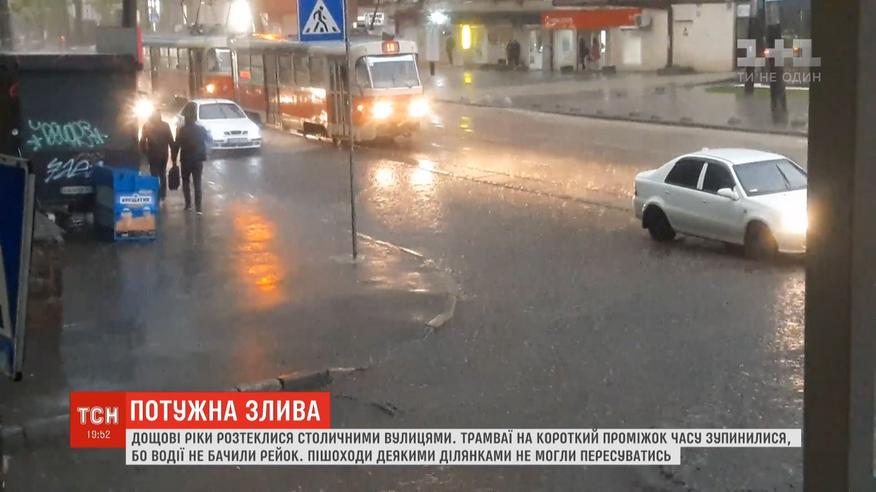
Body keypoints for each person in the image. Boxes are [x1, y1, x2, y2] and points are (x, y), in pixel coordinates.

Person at [172, 113, 211, 213]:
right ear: (194, 119)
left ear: (185, 120)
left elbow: (176, 146)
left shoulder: (182, 130)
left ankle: (188, 204)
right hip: (198, 160)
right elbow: (209, 140)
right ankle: (198, 208)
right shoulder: (201, 129)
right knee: (197, 182)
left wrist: (174, 160)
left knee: (185, 182)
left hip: (185, 160)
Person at [139, 111, 174, 200]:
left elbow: (142, 141)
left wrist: (144, 152)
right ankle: (163, 193)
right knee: (162, 173)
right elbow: (170, 140)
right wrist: (174, 153)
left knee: (154, 174)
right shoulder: (165, 125)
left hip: (152, 155)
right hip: (163, 155)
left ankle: (155, 193)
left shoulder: (147, 125)